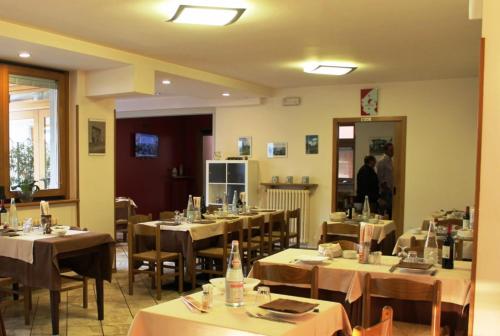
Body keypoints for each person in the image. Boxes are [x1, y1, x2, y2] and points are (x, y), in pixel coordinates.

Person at [376, 143, 394, 219]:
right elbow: (380, 178)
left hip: (391, 190)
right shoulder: (382, 161)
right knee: (384, 213)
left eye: (393, 150)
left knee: (391, 212)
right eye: (391, 150)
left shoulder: (391, 161)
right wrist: (385, 189)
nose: (393, 152)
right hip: (386, 191)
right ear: (386, 150)